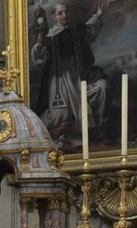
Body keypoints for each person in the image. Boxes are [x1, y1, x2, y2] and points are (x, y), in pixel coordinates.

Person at [30, 2, 105, 142]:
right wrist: (39, 46)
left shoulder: (76, 31)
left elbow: (89, 28)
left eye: (66, 12)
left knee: (100, 88)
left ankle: (88, 130)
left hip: (78, 73)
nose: (64, 16)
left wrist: (98, 15)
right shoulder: (50, 36)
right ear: (54, 17)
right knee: (59, 115)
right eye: (60, 13)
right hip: (59, 76)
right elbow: (38, 58)